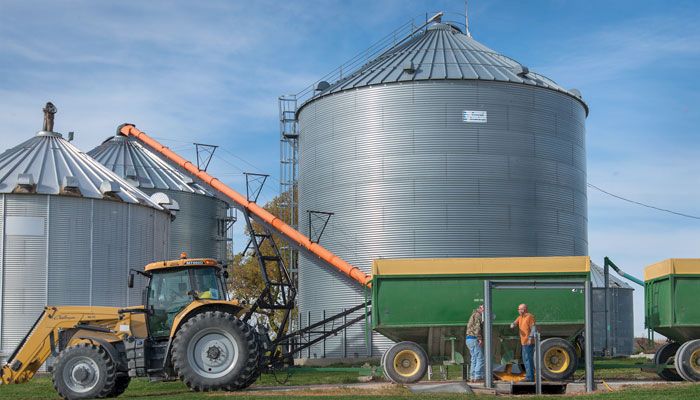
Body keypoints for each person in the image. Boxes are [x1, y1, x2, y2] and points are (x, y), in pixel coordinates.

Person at [510, 303, 537, 382]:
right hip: (523, 342)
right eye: (518, 309)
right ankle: (529, 376)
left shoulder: (530, 317)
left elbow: (533, 328)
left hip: (529, 342)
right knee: (525, 359)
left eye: (519, 309)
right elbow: (515, 323)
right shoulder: (520, 317)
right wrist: (512, 324)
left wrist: (530, 338)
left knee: (528, 359)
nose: (518, 310)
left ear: (524, 309)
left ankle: (530, 377)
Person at [465, 304, 485, 382]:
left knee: (474, 359)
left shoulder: (473, 315)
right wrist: (480, 338)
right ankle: (478, 376)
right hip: (474, 339)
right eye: (483, 308)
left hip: (469, 339)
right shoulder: (478, 315)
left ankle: (472, 376)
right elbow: (477, 328)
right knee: (480, 358)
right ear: (480, 308)